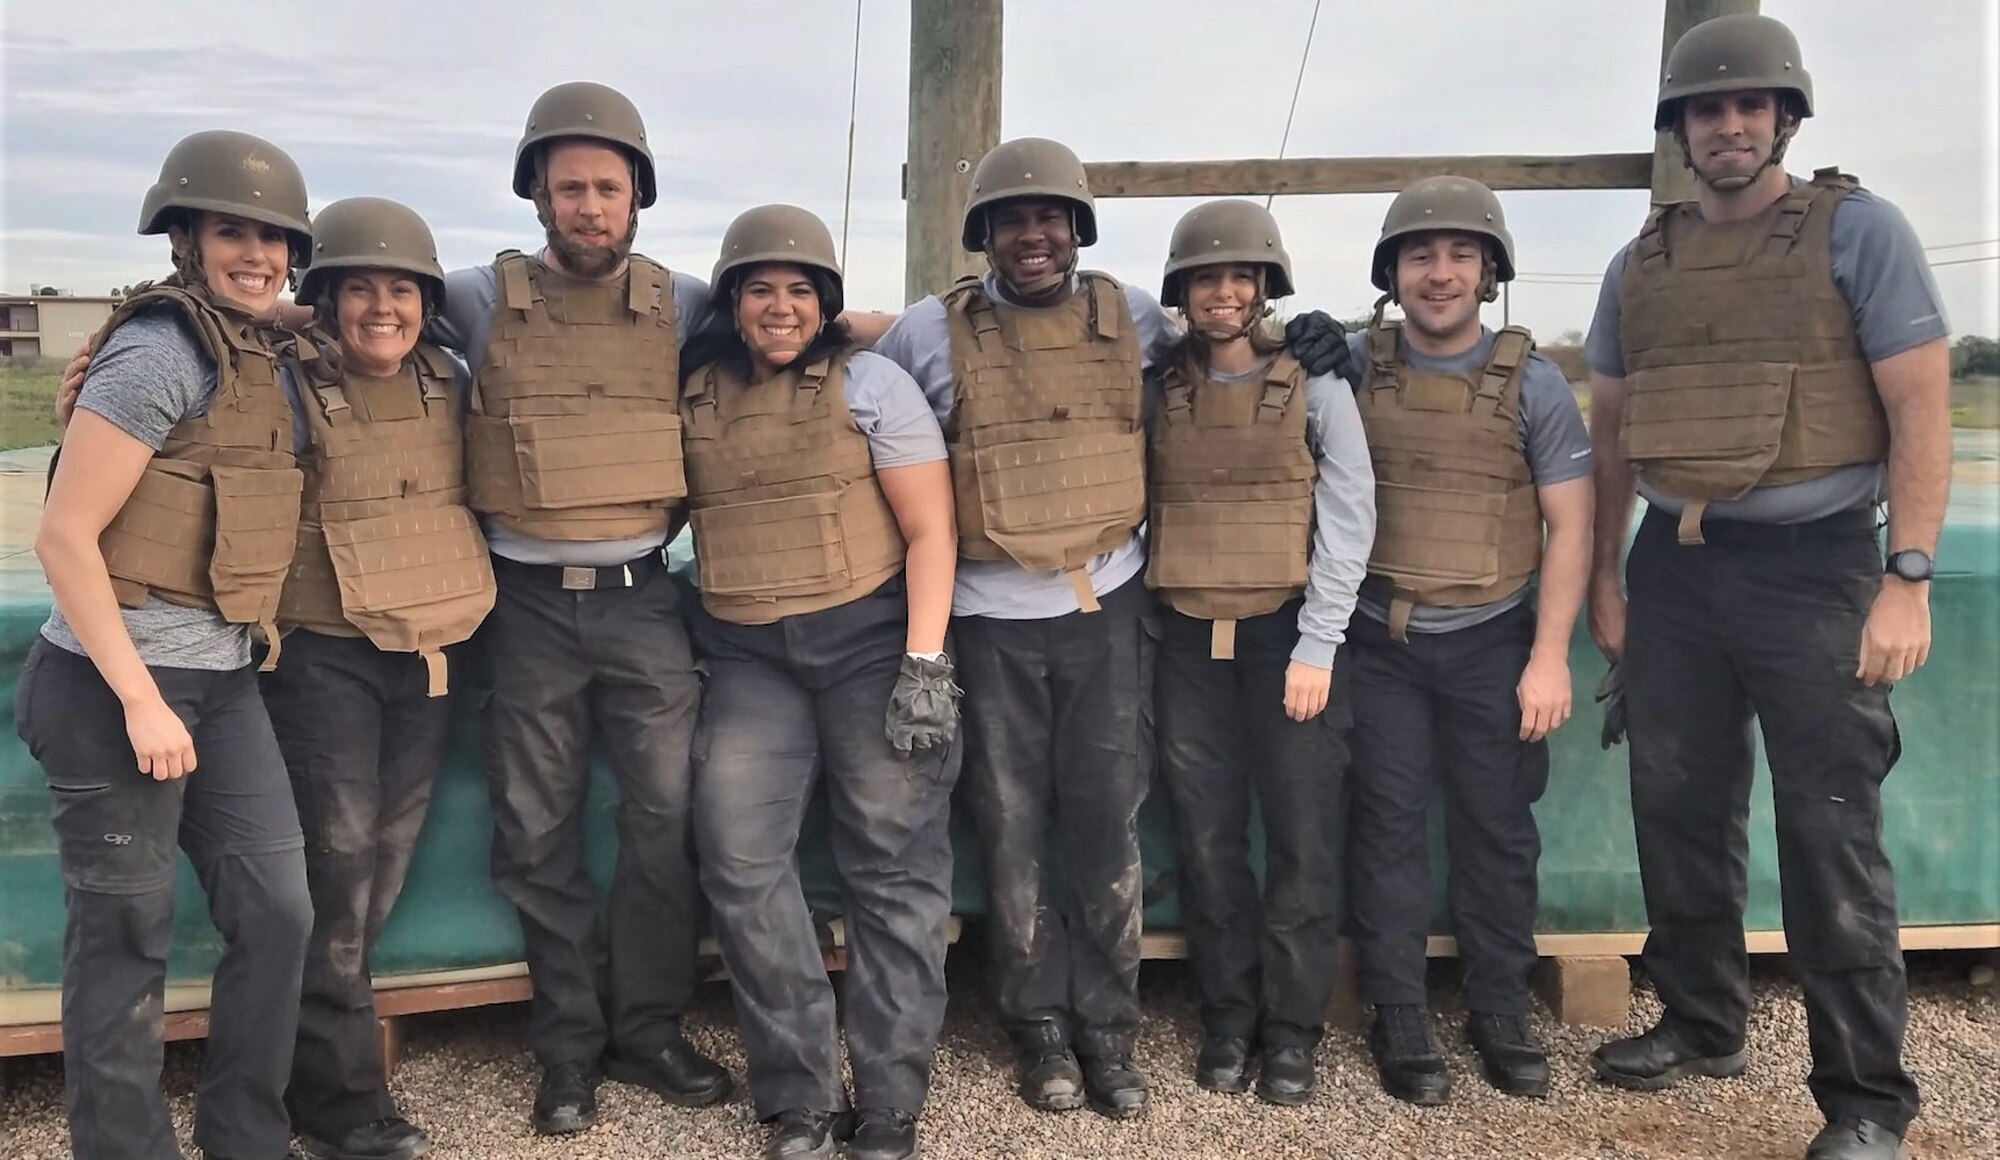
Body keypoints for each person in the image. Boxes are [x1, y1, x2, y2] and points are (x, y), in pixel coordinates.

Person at [874, 136, 1349, 1121]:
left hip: (1105, 619)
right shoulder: (929, 330)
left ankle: (1107, 1028)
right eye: (1012, 219)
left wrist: (1320, 335)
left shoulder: (1128, 314)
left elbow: (1228, 356)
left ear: (1077, 229)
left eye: (1050, 217)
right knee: (1009, 836)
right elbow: (858, 387)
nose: (1033, 235)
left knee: (1104, 829)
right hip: (986, 623)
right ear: (984, 235)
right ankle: (1038, 1028)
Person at [1583, 15, 1950, 1160]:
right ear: (1680, 130)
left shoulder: (1858, 232)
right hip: (1676, 566)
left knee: (1827, 829)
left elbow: (1918, 411)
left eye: (1749, 106)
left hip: (1817, 566)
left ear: (1783, 118)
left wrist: (1907, 578)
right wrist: (1604, 573)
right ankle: (1701, 1021)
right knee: (1675, 807)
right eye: (1705, 108)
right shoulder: (1638, 259)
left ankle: (1863, 1099)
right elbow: (1607, 434)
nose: (1727, 124)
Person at [424, 80, 730, 1134]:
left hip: (644, 599)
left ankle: (645, 1029)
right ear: (536, 196)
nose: (589, 206)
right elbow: (337, 307)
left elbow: (816, 317)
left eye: (607, 186)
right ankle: (566, 1048)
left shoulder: (684, 300)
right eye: (569, 188)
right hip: (524, 607)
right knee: (536, 831)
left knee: (662, 823)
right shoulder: (473, 297)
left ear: (636, 195)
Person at [16, 129, 317, 1160]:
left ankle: (246, 1135)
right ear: (186, 235)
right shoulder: (160, 351)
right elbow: (62, 535)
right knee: (123, 939)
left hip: (224, 682)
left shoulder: (258, 348)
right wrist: (139, 695)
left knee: (277, 910)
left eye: (274, 238)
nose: (257, 253)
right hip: (112, 687)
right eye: (234, 231)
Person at [679, 204, 959, 1160]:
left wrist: (924, 665)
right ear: (733, 301)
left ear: (827, 302)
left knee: (893, 865)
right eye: (761, 288)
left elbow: (931, 530)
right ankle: (796, 1092)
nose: (781, 305)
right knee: (741, 858)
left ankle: (888, 1097)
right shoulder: (698, 393)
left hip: (870, 642)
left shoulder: (872, 383)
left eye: (801, 289)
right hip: (752, 656)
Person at [1342, 176, 1594, 1106]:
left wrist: (1549, 655)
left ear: (1489, 271)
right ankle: (1399, 1014)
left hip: (1494, 639)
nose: (1439, 273)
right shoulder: (1352, 367)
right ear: (1393, 272)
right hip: (1382, 641)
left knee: (1497, 833)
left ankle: (1500, 1007)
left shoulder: (1533, 383)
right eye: (1419, 255)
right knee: (1388, 828)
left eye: (1459, 255)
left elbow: (1571, 525)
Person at [264, 196, 497, 1160]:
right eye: (356, 288)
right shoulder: (280, 383)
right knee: (339, 864)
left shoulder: (451, 376)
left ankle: (315, 1061)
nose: (380, 309)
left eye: (400, 289)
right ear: (321, 299)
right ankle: (341, 1097)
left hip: (431, 647)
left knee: (380, 865)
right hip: (324, 656)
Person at [1142, 200, 1374, 1106]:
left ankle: (1292, 1031)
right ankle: (1229, 1017)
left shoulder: (1317, 384)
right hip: (1189, 641)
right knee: (1207, 843)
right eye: (1206, 277)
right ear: (1182, 292)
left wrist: (1319, 643)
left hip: (1291, 638)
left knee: (1303, 843)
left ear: (1267, 287)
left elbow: (1349, 518)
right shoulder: (1158, 385)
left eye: (1242, 277)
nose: (1225, 291)